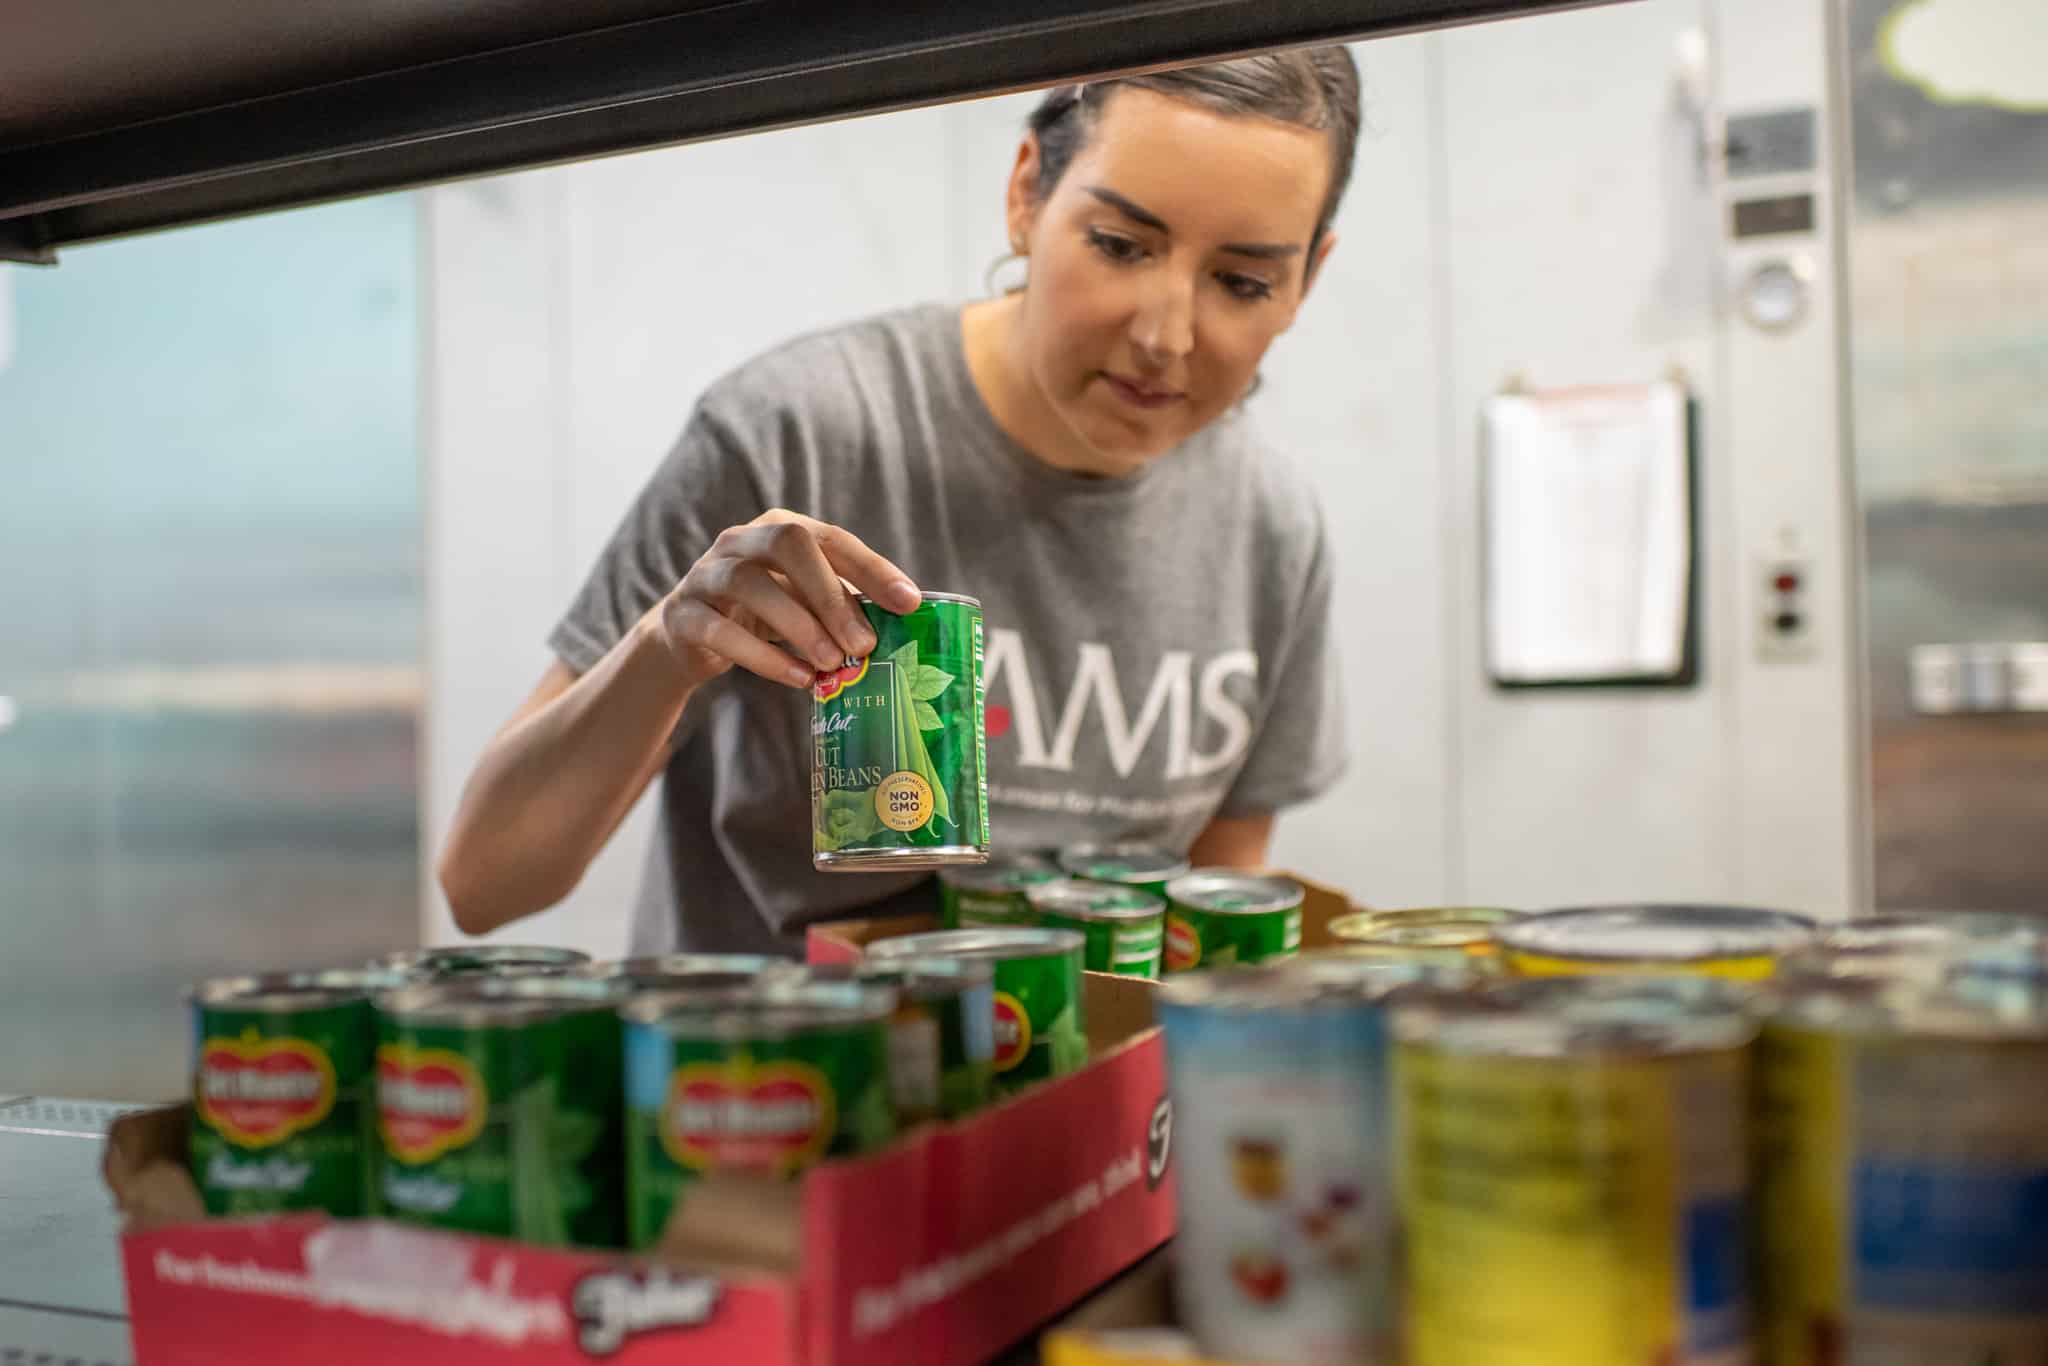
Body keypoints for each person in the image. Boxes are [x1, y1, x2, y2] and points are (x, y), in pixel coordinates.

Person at [439, 49, 1361, 954]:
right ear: (1027, 193)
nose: (1166, 336)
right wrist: (664, 650)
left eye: (1242, 282)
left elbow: (1212, 937)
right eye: (1120, 246)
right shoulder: (790, 435)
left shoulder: (1269, 525)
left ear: (1306, 282)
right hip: (763, 1083)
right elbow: (484, 884)